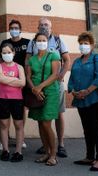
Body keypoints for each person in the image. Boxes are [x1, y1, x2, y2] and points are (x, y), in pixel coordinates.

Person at [27, 17, 71, 158]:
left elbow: (67, 60)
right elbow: (28, 61)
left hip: (53, 85)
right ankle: (46, 147)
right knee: (42, 119)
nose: (43, 27)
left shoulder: (57, 41)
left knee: (58, 113)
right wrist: (34, 86)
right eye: (41, 25)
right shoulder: (32, 42)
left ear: (51, 27)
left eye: (46, 25)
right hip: (36, 86)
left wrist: (61, 75)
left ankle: (61, 144)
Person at [68, 31, 98, 172]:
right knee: (87, 129)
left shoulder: (97, 58)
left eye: (86, 43)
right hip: (80, 100)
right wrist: (73, 91)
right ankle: (89, 156)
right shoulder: (77, 61)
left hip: (94, 99)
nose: (83, 46)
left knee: (96, 129)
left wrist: (87, 91)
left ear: (92, 45)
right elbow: (72, 79)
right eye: (81, 44)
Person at [26, 31, 61, 166]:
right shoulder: (32, 59)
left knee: (46, 123)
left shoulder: (54, 55)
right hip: (36, 93)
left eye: (44, 40)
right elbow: (28, 76)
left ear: (47, 42)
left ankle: (53, 154)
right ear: (35, 43)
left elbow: (55, 74)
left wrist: (39, 87)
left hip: (50, 92)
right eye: (39, 40)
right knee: (40, 123)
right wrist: (34, 89)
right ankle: (46, 152)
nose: (41, 42)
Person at [0, 19, 30, 152]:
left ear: (20, 29)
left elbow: (23, 80)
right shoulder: (5, 43)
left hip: (21, 82)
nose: (14, 29)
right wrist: (10, 79)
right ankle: (5, 145)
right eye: (11, 28)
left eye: (16, 27)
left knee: (20, 118)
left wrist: (9, 79)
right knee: (4, 121)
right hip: (5, 90)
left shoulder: (27, 43)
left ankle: (20, 142)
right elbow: (0, 65)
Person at [0, 42, 26, 162]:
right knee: (4, 125)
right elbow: (0, 78)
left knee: (18, 125)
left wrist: (7, 80)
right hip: (3, 99)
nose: (7, 54)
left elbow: (23, 83)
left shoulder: (19, 67)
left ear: (13, 53)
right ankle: (5, 150)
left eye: (9, 52)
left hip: (17, 100)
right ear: (1, 54)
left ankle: (18, 151)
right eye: (4, 52)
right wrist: (15, 80)